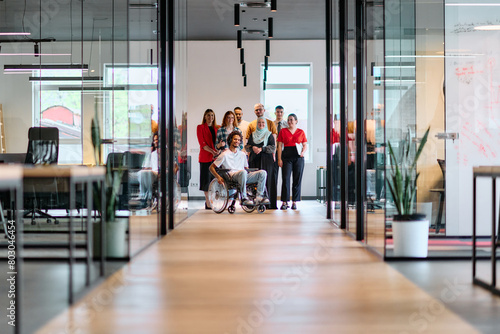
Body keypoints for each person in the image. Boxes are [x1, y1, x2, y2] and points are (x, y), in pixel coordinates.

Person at [209, 130, 270, 206]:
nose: (237, 141)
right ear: (230, 140)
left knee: (263, 172)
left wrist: (251, 173)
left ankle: (259, 197)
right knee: (243, 172)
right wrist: (218, 177)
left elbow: (246, 168)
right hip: (231, 176)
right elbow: (211, 167)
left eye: (238, 140)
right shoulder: (224, 154)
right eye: (235, 139)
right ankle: (244, 198)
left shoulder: (242, 154)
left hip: (243, 175)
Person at [277, 113, 308, 210]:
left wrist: (303, 151)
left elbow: (305, 144)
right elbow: (279, 146)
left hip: (298, 157)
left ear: (296, 121)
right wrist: (279, 159)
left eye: (291, 119)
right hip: (286, 156)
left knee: (297, 180)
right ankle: (284, 202)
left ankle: (294, 202)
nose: (289, 121)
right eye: (288, 120)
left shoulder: (301, 132)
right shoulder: (283, 131)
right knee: (285, 179)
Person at [246, 117, 277, 209]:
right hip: (254, 160)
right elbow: (247, 147)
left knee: (267, 181)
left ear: (266, 124)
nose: (261, 124)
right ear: (257, 124)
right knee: (253, 182)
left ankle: (267, 204)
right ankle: (253, 203)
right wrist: (253, 148)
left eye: (263, 122)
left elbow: (273, 148)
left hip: (267, 161)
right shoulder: (253, 134)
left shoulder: (269, 134)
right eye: (259, 122)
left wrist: (262, 149)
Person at [197, 109, 220, 209]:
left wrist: (217, 152)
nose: (210, 117)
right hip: (205, 158)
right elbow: (202, 144)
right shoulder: (200, 127)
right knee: (206, 181)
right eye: (208, 115)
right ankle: (207, 202)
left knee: (215, 180)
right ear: (205, 117)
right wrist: (213, 152)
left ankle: (213, 200)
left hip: (216, 158)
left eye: (212, 115)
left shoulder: (217, 128)